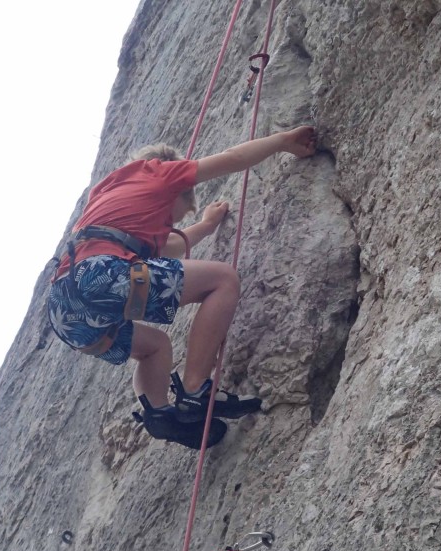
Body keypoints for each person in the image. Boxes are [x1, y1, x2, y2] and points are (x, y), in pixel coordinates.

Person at [48, 126, 317, 449]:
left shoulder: (108, 196)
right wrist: (283, 141)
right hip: (102, 276)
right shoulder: (160, 173)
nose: (170, 226)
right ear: (177, 188)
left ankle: (160, 415)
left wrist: (204, 225)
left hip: (66, 310)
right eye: (174, 218)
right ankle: (196, 390)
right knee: (223, 279)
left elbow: (164, 249)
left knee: (154, 347)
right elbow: (233, 159)